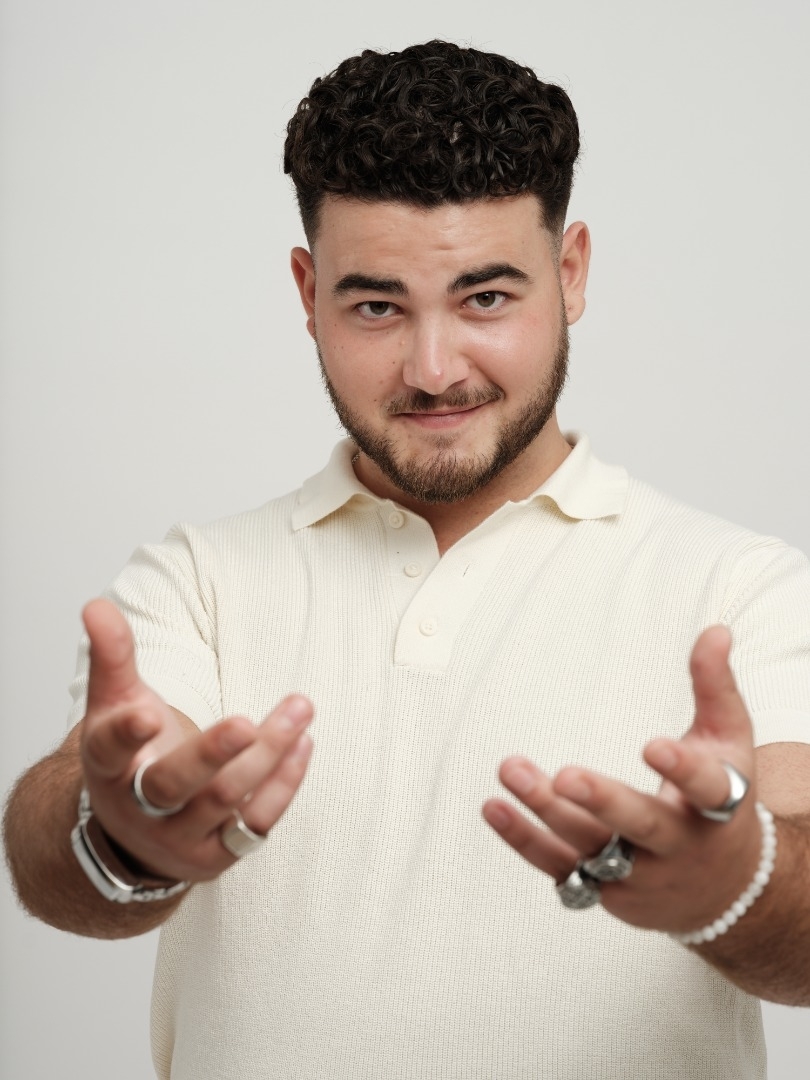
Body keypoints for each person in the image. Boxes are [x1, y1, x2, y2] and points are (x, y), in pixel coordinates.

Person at [4, 39, 810, 1080]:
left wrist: (738, 884)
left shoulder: (743, 589)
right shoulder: (196, 582)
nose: (433, 371)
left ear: (570, 274)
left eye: (486, 298)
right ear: (308, 292)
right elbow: (56, 854)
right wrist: (117, 837)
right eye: (377, 306)